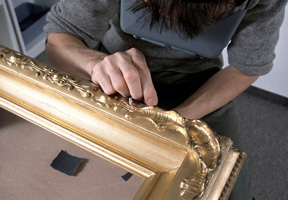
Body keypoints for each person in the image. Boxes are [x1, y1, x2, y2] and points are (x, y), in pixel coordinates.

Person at [44, 0, 287, 199]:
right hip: (112, 71)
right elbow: (60, 36)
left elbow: (247, 67)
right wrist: (95, 64)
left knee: (226, 186)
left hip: (199, 84)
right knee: (88, 176)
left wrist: (177, 121)